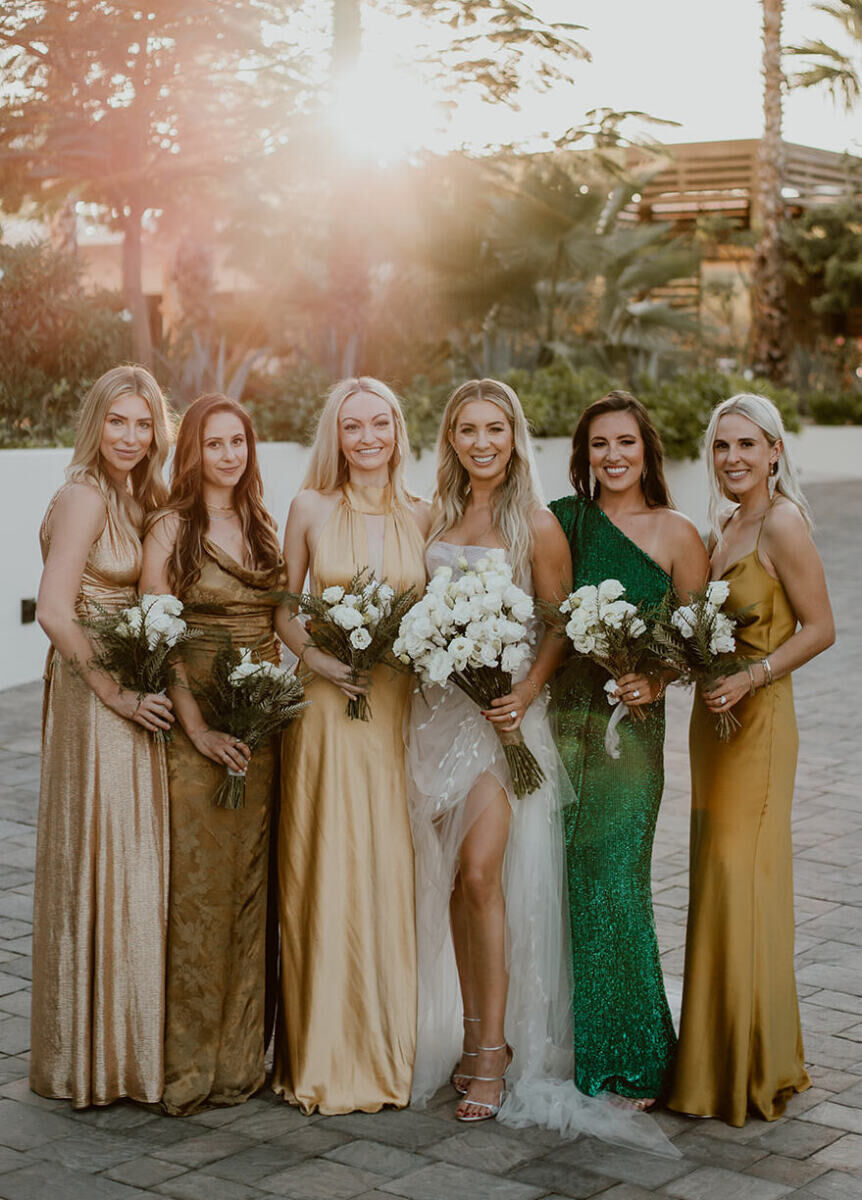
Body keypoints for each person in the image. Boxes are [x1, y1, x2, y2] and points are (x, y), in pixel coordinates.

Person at [408, 378, 596, 1127]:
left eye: (494, 429)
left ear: (514, 436)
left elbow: (557, 624)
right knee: (456, 878)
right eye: (465, 430)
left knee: (484, 874)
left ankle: (496, 1051)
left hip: (505, 721)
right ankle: (474, 1030)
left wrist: (525, 694)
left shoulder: (537, 524)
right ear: (450, 439)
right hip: (437, 719)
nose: (480, 443)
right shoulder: (439, 515)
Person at [668, 393, 835, 1126]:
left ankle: (748, 1066)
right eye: (721, 446)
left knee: (743, 873)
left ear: (775, 452)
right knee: (714, 872)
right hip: (714, 725)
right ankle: (714, 1055)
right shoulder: (725, 525)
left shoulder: (782, 522)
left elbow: (822, 628)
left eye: (747, 444)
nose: (733, 457)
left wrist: (754, 676)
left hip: (760, 720)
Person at [272, 376, 430, 1115]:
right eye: (352, 427)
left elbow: (438, 618)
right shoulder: (308, 508)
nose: (367, 438)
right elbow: (283, 607)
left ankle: (386, 1043)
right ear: (335, 436)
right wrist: (322, 661)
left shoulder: (424, 515)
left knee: (388, 866)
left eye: (380, 425)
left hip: (393, 713)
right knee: (325, 863)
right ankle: (322, 1050)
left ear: (398, 431)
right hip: (325, 715)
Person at [549, 390, 708, 1109]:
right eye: (599, 445)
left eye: (625, 443)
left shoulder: (678, 533)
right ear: (584, 455)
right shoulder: (565, 520)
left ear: (647, 450)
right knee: (564, 884)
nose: (612, 456)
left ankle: (635, 1058)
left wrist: (657, 677)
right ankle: (577, 1042)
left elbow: (698, 641)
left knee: (615, 882)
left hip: (631, 736)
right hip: (563, 723)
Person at [140, 393, 289, 1116]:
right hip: (198, 725)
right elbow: (158, 631)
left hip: (259, 726)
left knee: (250, 893)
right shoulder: (171, 527)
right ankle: (188, 1064)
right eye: (214, 442)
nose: (228, 454)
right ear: (191, 451)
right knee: (198, 894)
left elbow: (283, 618)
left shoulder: (261, 524)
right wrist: (195, 728)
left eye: (239, 441)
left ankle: (238, 1064)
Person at [31, 364, 175, 1108]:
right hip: (99, 696)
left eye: (143, 423)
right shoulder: (86, 494)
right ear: (95, 423)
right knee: (107, 853)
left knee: (131, 859)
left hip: (129, 682)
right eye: (117, 421)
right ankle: (95, 1055)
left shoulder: (135, 496)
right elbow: (56, 610)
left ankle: (123, 1045)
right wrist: (116, 691)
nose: (130, 436)